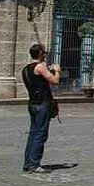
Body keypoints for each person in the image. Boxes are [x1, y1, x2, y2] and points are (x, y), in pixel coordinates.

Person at [22, 43, 59, 173]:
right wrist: (57, 71)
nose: (45, 55)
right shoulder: (40, 67)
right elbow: (54, 81)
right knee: (40, 134)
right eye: (44, 53)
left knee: (33, 133)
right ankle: (34, 164)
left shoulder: (26, 69)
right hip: (42, 104)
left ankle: (28, 162)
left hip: (32, 103)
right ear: (40, 54)